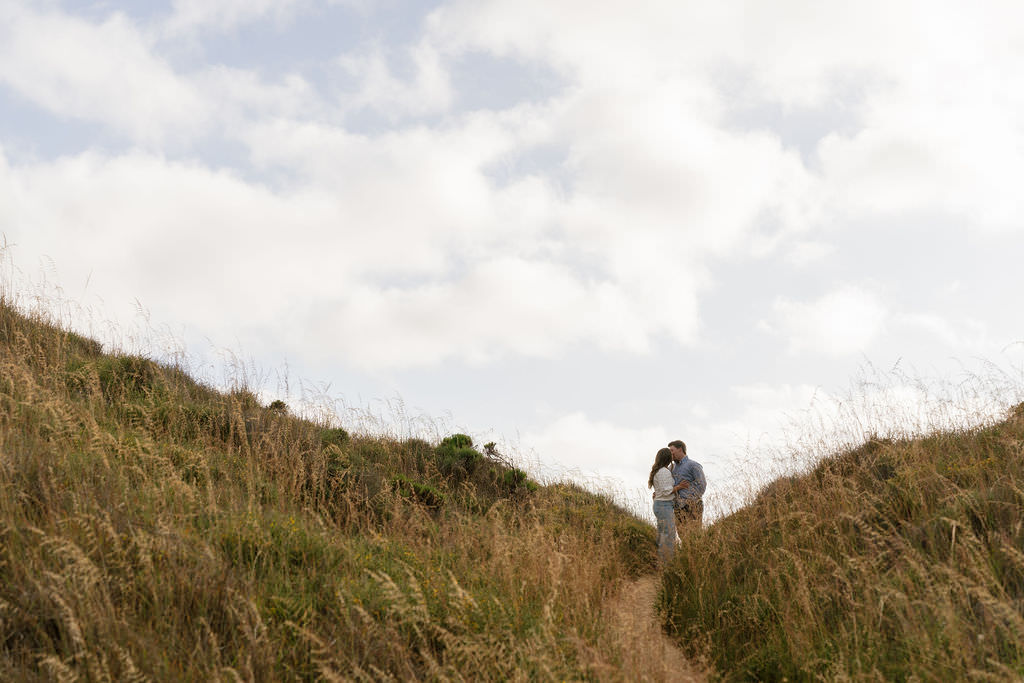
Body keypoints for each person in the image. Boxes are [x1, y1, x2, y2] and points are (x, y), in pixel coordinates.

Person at [649, 447, 689, 563]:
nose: (672, 456)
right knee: (669, 536)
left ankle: (660, 561)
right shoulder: (664, 472)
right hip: (664, 505)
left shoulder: (659, 470)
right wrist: (679, 487)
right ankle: (666, 564)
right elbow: (666, 491)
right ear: (667, 458)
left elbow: (661, 490)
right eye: (670, 454)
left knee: (662, 534)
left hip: (660, 505)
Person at [669, 440, 706, 529]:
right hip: (677, 507)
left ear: (680, 449)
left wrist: (690, 501)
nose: (670, 453)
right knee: (682, 535)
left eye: (672, 451)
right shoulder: (671, 468)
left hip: (692, 505)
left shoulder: (693, 465)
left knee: (695, 534)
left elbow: (702, 485)